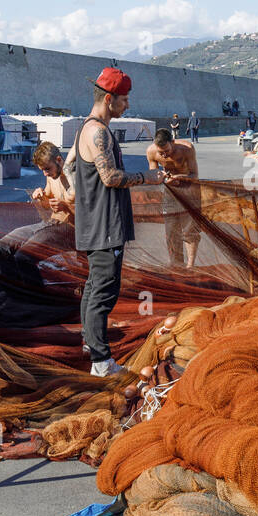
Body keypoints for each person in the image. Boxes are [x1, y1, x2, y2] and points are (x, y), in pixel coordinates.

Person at [69, 68, 179, 377]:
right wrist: (150, 177)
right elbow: (111, 177)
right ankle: (101, 363)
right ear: (109, 98)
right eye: (124, 100)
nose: (127, 106)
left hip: (96, 222)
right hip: (104, 225)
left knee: (94, 289)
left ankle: (91, 344)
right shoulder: (98, 132)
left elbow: (71, 166)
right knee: (104, 291)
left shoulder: (85, 129)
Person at [0, 141, 75, 286]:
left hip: (70, 229)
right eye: (42, 170)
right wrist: (41, 197)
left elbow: (91, 214)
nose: (45, 173)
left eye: (47, 169)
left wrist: (66, 207)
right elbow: (46, 207)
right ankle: (15, 290)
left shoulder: (75, 177)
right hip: (51, 224)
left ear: (59, 160)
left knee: (24, 257)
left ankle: (36, 297)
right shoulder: (50, 176)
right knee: (1, 247)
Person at [146, 128, 201, 269]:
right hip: (170, 191)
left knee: (190, 230)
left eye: (167, 151)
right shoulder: (151, 152)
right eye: (161, 152)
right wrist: (161, 177)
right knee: (171, 230)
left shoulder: (187, 149)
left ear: (173, 142)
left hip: (190, 190)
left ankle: (190, 266)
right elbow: (153, 174)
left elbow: (194, 175)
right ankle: (176, 264)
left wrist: (178, 177)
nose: (164, 155)